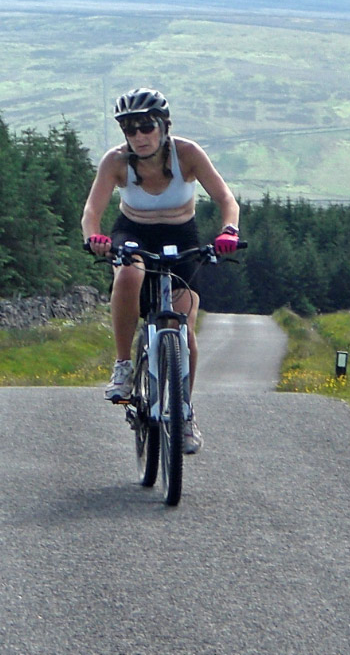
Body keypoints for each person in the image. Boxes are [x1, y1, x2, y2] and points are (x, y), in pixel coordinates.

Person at [81, 88, 240, 454]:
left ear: (164, 126)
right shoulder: (116, 162)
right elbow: (92, 212)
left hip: (181, 234)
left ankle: (183, 413)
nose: (138, 136)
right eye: (129, 129)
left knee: (183, 326)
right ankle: (123, 367)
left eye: (146, 127)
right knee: (129, 274)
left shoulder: (188, 154)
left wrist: (228, 231)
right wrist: (95, 238)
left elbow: (226, 200)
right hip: (133, 231)